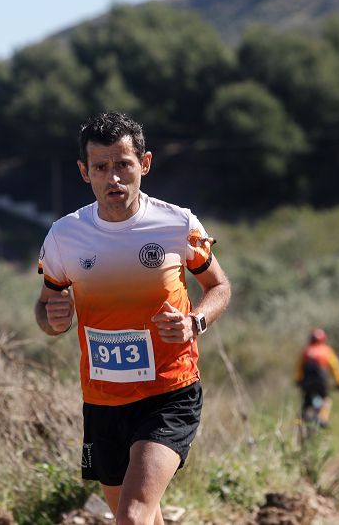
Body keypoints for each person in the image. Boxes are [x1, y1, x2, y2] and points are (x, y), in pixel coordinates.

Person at [34, 113, 232, 525]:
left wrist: (195, 321)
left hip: (168, 393)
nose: (114, 178)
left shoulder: (178, 224)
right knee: (144, 517)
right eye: (101, 167)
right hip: (103, 401)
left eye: (123, 164)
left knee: (133, 516)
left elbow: (219, 287)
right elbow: (47, 307)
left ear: (144, 163)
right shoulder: (64, 236)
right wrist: (53, 320)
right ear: (84, 172)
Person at [294, 328, 339, 428]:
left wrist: (298, 381)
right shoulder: (326, 351)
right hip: (321, 383)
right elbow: (335, 368)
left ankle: (299, 423)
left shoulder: (306, 351)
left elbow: (299, 368)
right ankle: (322, 419)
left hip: (307, 383)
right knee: (326, 400)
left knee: (305, 404)